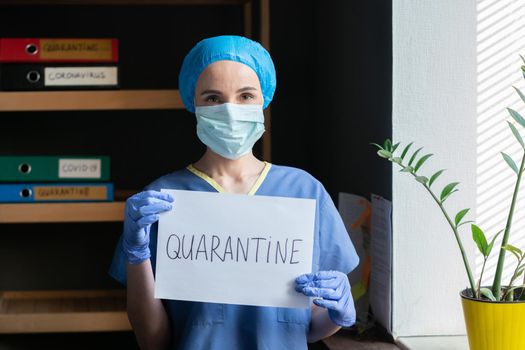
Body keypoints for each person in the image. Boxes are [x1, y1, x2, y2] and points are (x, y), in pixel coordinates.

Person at [108, 35, 359, 350]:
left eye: (245, 96)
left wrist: (338, 313)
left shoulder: (305, 192)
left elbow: (306, 328)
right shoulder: (161, 201)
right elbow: (153, 340)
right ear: (193, 103)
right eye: (213, 98)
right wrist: (137, 255)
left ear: (264, 99)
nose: (230, 110)